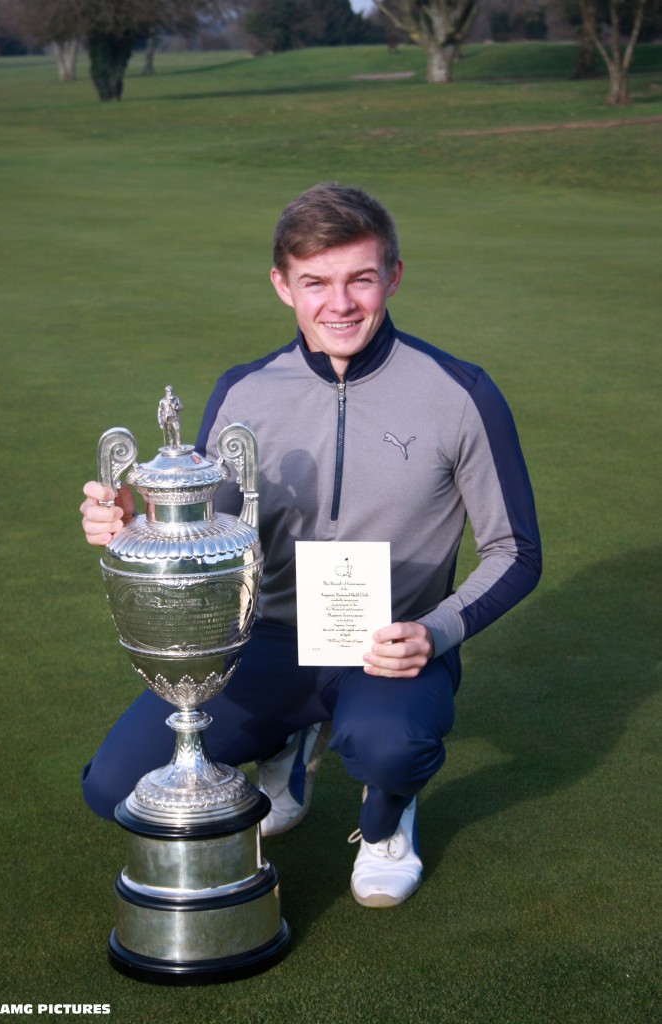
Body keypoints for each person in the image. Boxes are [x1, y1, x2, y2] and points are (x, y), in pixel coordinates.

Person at [79, 183, 541, 909]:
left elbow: (515, 550)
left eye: (360, 278)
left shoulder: (459, 392)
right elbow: (214, 536)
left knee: (387, 747)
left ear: (391, 276)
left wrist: (432, 631)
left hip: (388, 644)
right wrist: (139, 522)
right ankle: (287, 745)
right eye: (315, 282)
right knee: (117, 789)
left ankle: (387, 819)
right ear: (281, 286)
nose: (340, 304)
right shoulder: (245, 393)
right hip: (263, 643)